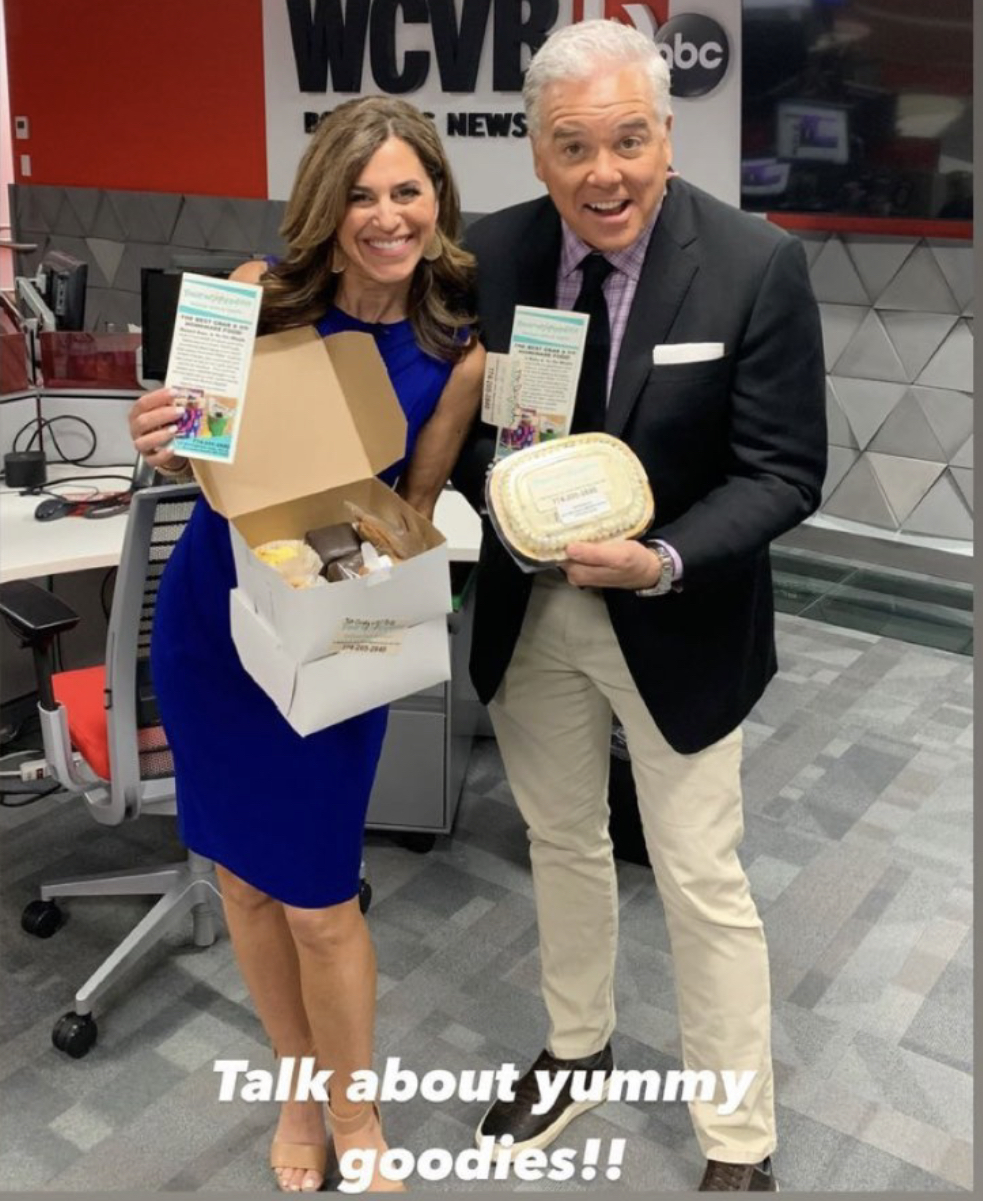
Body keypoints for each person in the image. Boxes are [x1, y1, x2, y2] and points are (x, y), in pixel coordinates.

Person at [452, 19, 826, 1193]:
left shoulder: (753, 264)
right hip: (530, 612)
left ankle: (736, 1137)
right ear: (536, 152)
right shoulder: (489, 255)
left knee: (698, 876)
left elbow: (782, 471)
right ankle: (576, 1048)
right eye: (572, 146)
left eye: (627, 139)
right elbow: (450, 422)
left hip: (676, 613)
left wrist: (660, 557)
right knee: (560, 841)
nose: (602, 173)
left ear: (665, 136)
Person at [128, 97, 485, 1193]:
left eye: (406, 191)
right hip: (213, 619)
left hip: (332, 625)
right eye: (360, 195)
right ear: (326, 206)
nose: (386, 216)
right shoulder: (250, 296)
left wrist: (364, 577)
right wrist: (163, 441)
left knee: (322, 902)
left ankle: (353, 1105)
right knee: (242, 884)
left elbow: (410, 508)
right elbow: (193, 458)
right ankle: (296, 1086)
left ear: (436, 200)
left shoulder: (455, 351)